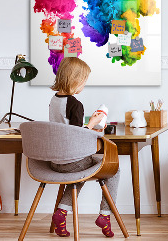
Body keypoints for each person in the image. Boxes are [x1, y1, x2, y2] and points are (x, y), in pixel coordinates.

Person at [49, 57, 119, 238]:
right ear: (75, 80)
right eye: (84, 81)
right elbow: (77, 136)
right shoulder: (75, 104)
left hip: (55, 161)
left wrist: (89, 124)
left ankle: (61, 213)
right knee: (114, 169)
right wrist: (94, 123)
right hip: (72, 161)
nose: (84, 85)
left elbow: (66, 129)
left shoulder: (54, 100)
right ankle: (105, 215)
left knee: (79, 172)